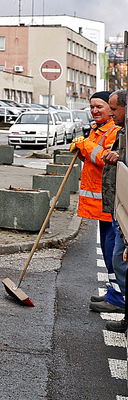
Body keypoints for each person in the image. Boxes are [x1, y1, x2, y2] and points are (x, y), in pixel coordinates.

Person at [72, 91, 119, 314]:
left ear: (111, 108)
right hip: (100, 202)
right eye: (92, 107)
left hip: (110, 200)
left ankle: (118, 295)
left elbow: (105, 159)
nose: (94, 110)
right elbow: (92, 158)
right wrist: (81, 151)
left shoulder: (115, 131)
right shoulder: (96, 130)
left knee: (113, 249)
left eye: (99, 106)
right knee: (108, 248)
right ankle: (113, 290)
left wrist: (85, 146)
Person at [99, 90, 127, 327]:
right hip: (118, 206)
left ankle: (119, 300)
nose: (109, 112)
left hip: (124, 209)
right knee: (118, 260)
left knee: (120, 259)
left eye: (113, 108)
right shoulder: (122, 131)